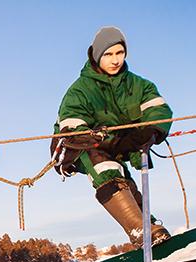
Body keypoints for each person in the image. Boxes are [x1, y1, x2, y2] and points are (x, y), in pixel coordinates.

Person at [50, 26, 172, 246]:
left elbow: (158, 108)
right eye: (108, 54)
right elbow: (73, 127)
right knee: (106, 169)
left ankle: (149, 225)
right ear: (97, 56)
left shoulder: (138, 84)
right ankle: (138, 229)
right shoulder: (80, 90)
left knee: (125, 180)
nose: (115, 60)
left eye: (119, 53)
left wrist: (152, 130)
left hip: (123, 144)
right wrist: (111, 141)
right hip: (82, 146)